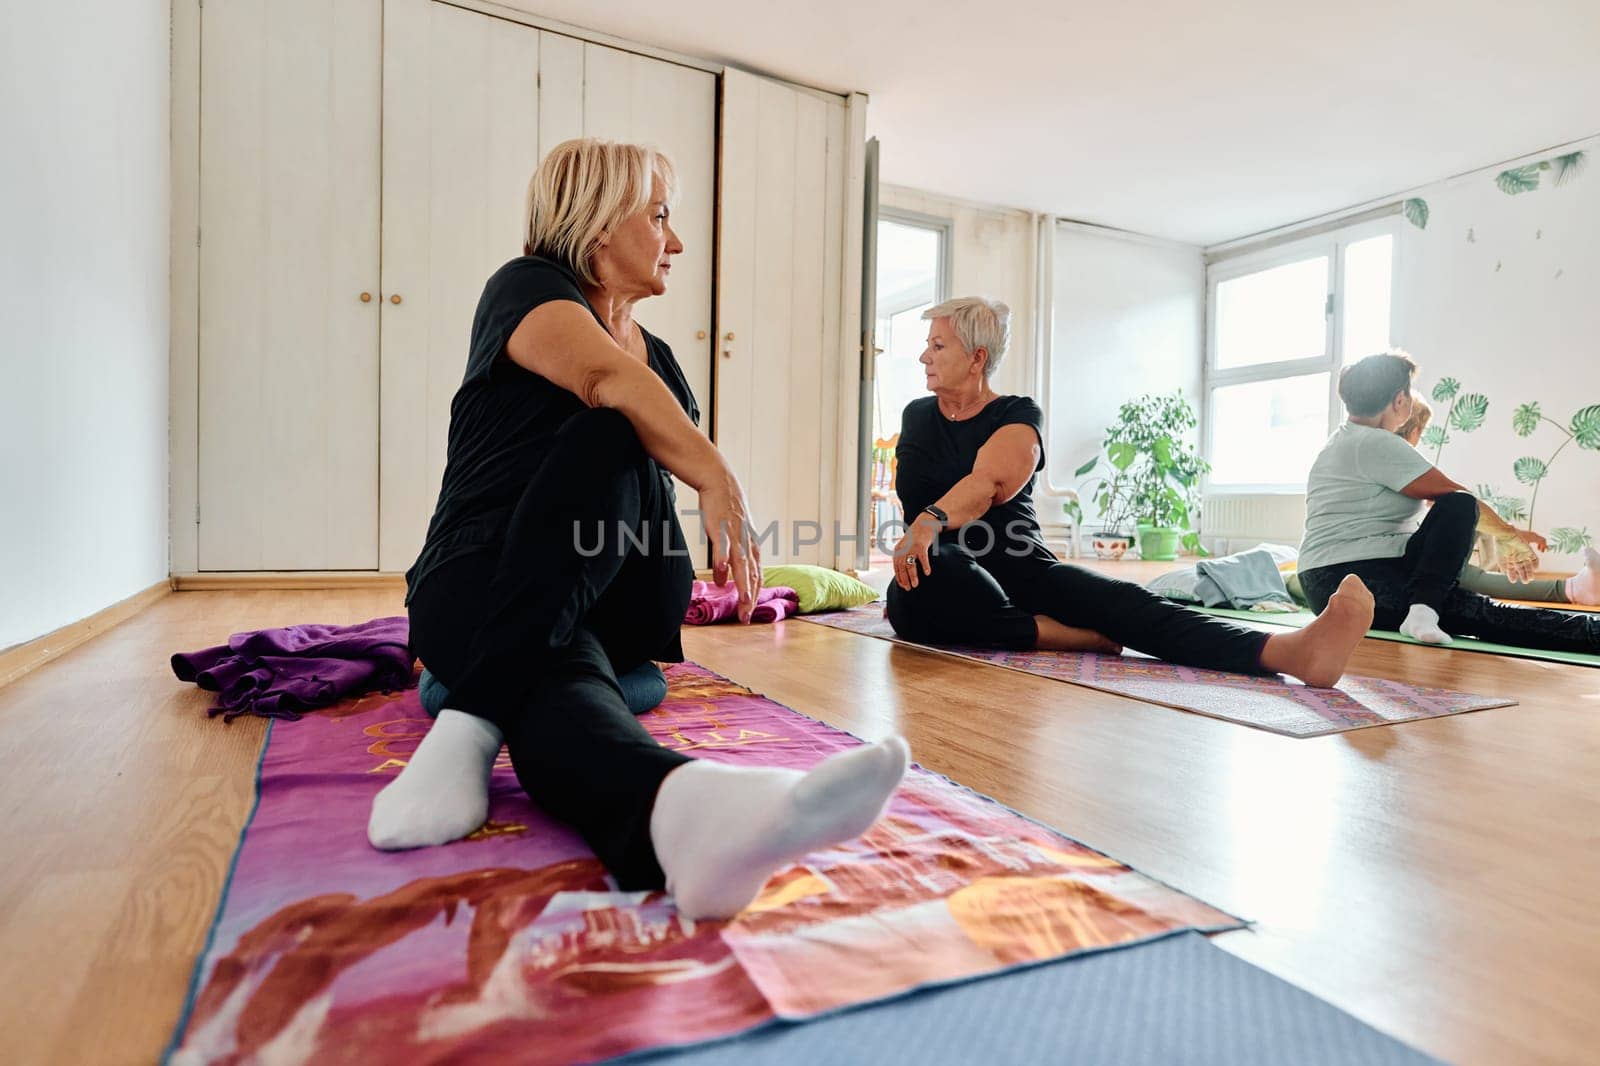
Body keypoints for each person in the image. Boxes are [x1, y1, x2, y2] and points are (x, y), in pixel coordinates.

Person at [367, 139, 910, 921]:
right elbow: (604, 380)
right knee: (613, 438)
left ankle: (470, 715)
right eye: (659, 217)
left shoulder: (653, 356)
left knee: (623, 446)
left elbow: (634, 435)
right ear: (595, 228)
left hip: (611, 606)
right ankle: (676, 809)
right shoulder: (526, 289)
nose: (676, 241)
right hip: (479, 576)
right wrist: (719, 477)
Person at [885, 297, 1374, 688]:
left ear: (976, 358)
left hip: (1019, 566)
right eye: (928, 345)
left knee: (1129, 605)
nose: (924, 355)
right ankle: (1065, 637)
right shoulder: (917, 416)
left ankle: (1291, 652)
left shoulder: (1017, 413)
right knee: (917, 594)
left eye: (938, 345)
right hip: (937, 568)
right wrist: (922, 533)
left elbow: (987, 484)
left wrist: (929, 519)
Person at [1298, 352, 1600, 651]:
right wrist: (1510, 536)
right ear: (1400, 400)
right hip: (1345, 581)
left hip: (1350, 577)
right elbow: (1460, 498)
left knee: (1460, 517)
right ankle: (1423, 611)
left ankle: (1423, 610)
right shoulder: (1373, 441)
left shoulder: (1348, 440)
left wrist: (1509, 536)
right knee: (1480, 605)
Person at [1397, 395, 1599, 606]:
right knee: (1458, 572)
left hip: (1418, 546)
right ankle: (1571, 590)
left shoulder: (1404, 469)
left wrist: (1513, 535)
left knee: (1468, 514)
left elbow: (1453, 509)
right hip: (1413, 558)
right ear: (1414, 432)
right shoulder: (1401, 465)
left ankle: (1567, 583)